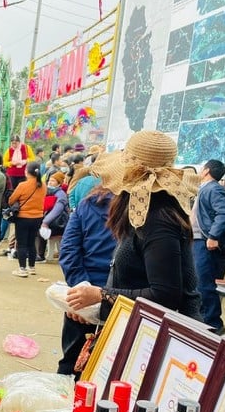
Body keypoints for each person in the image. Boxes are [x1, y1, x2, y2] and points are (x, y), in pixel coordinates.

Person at [66, 131, 202, 322]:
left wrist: (100, 295)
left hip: (150, 335)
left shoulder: (158, 221)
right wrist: (93, 307)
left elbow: (165, 295)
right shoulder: (143, 212)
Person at [57, 185, 116, 378]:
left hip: (86, 295)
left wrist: (83, 295)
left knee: (71, 364)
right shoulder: (143, 210)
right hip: (119, 303)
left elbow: (68, 252)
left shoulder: (88, 204)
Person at [192, 159, 225, 334]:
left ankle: (213, 325)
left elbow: (224, 213)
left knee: (204, 284)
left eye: (202, 168)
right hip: (198, 241)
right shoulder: (206, 189)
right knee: (198, 283)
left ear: (206, 171)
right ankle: (202, 321)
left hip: (206, 244)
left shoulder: (214, 189)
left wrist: (213, 236)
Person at [7, 161, 46, 277]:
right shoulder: (43, 185)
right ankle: (32, 267)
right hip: (38, 217)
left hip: (23, 218)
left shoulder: (23, 185)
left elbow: (11, 200)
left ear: (27, 172)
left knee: (22, 244)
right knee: (31, 243)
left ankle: (22, 269)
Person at [37, 171, 68, 262]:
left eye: (53, 181)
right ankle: (41, 254)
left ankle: (40, 255)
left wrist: (45, 222)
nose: (50, 182)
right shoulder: (49, 192)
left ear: (59, 183)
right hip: (52, 220)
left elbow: (57, 210)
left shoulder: (60, 194)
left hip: (59, 223)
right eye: (49, 180)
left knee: (40, 231)